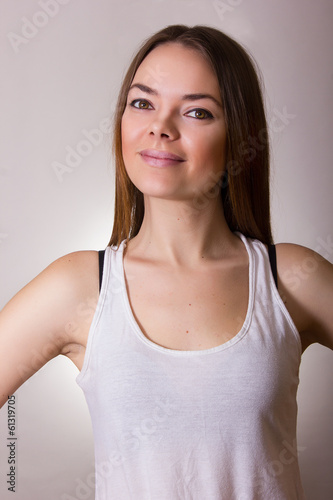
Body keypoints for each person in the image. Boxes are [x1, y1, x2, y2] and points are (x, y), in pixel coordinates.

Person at [0, 24, 332, 499]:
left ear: (239, 138)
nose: (160, 126)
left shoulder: (291, 279)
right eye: (142, 102)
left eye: (197, 111)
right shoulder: (80, 287)